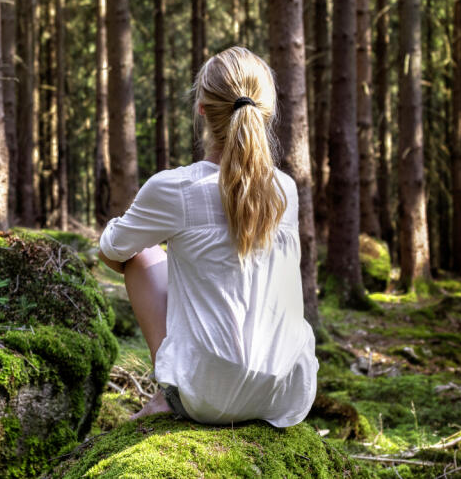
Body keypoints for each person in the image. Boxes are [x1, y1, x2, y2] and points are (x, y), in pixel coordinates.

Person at [98, 47, 318, 427]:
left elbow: (111, 249)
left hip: (206, 398)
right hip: (286, 394)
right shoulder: (285, 189)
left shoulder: (175, 188)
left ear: (201, 108)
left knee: (141, 254)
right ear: (265, 111)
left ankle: (168, 392)